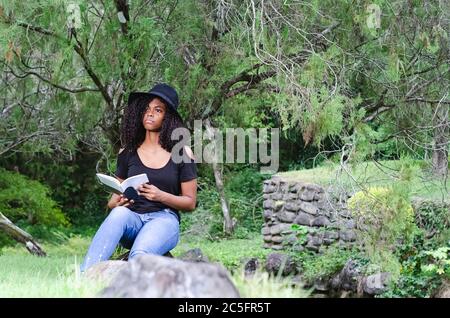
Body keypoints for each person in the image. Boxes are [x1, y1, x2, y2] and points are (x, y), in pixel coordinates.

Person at [80, 83, 197, 272]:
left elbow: (190, 202)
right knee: (118, 213)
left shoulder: (182, 152)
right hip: (131, 218)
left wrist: (161, 196)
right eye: (147, 109)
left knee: (139, 255)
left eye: (157, 110)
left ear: (168, 118)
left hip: (164, 220)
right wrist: (118, 202)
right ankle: (84, 277)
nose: (150, 114)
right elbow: (112, 203)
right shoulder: (128, 151)